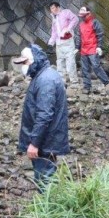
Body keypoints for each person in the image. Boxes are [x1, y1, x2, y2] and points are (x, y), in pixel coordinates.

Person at [13, 45, 70, 189]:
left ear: (34, 60)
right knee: (47, 175)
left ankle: (50, 208)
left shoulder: (45, 80)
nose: (23, 67)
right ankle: (53, 205)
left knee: (45, 179)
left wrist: (34, 143)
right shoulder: (44, 75)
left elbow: (44, 115)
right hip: (48, 139)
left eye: (25, 63)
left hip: (45, 141)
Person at [75, 5, 109, 94]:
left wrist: (99, 46)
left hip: (93, 48)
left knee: (96, 67)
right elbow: (79, 37)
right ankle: (87, 86)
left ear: (88, 14)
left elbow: (100, 34)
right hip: (84, 50)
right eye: (82, 16)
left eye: (84, 15)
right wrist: (77, 47)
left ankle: (107, 83)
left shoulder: (94, 22)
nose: (83, 17)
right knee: (85, 69)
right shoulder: (81, 25)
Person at [47, 1, 79, 88]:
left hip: (68, 41)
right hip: (59, 43)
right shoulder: (54, 19)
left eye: (53, 8)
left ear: (57, 7)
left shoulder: (66, 12)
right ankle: (62, 81)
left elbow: (75, 19)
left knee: (70, 61)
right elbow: (54, 33)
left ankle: (74, 81)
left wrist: (68, 28)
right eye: (51, 9)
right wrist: (50, 43)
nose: (52, 10)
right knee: (60, 62)